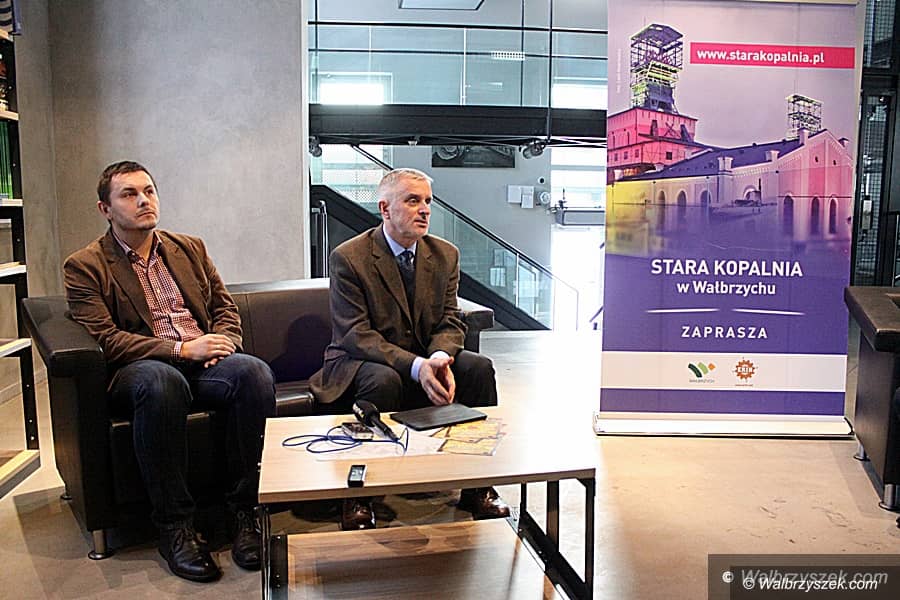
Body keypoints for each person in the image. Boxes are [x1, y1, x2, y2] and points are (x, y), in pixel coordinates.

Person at [63, 161, 276, 583]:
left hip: (203, 361)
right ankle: (175, 526)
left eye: (149, 191)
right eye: (129, 194)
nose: (144, 201)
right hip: (139, 369)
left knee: (253, 374)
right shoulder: (85, 265)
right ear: (105, 209)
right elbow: (107, 339)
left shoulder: (189, 248)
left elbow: (224, 308)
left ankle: (244, 513)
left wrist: (222, 344)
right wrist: (181, 349)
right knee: (163, 382)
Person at [310, 167, 509, 530]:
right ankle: (358, 493)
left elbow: (450, 319)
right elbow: (356, 334)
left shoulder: (445, 254)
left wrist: (440, 358)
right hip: (360, 362)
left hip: (424, 356)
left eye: (428, 201)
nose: (425, 210)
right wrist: (418, 366)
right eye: (413, 200)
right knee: (383, 380)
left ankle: (478, 484)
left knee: (478, 368)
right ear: (385, 209)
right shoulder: (349, 257)